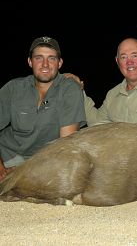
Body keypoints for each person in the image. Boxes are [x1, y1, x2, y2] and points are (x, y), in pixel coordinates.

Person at [0, 36, 86, 180]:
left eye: (51, 58)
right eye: (39, 58)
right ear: (30, 62)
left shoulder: (70, 89)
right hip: (7, 154)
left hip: (44, 161)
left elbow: (65, 145)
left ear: (59, 63)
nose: (45, 64)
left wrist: (25, 171)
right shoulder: (13, 88)